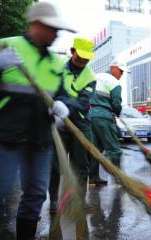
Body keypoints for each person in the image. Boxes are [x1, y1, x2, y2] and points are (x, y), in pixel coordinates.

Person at [0, 1, 75, 240]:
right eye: (53, 28)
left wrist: (64, 105)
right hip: (8, 136)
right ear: (37, 25)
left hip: (40, 139)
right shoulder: (6, 47)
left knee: (36, 193)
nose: (57, 34)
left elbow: (64, 93)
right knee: (0, 191)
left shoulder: (54, 62)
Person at [49, 37, 96, 213]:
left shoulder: (90, 76)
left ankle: (79, 201)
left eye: (86, 58)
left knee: (81, 166)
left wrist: (64, 106)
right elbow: (49, 89)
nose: (82, 61)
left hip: (80, 124)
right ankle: (54, 201)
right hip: (58, 124)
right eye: (79, 57)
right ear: (72, 51)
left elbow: (84, 103)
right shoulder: (58, 68)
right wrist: (53, 109)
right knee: (55, 164)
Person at [89, 60, 127, 179]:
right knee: (114, 149)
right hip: (104, 117)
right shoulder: (114, 82)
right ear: (113, 68)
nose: (121, 75)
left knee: (95, 149)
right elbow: (116, 103)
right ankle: (119, 179)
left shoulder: (95, 77)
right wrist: (117, 111)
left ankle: (93, 177)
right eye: (121, 71)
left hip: (91, 116)